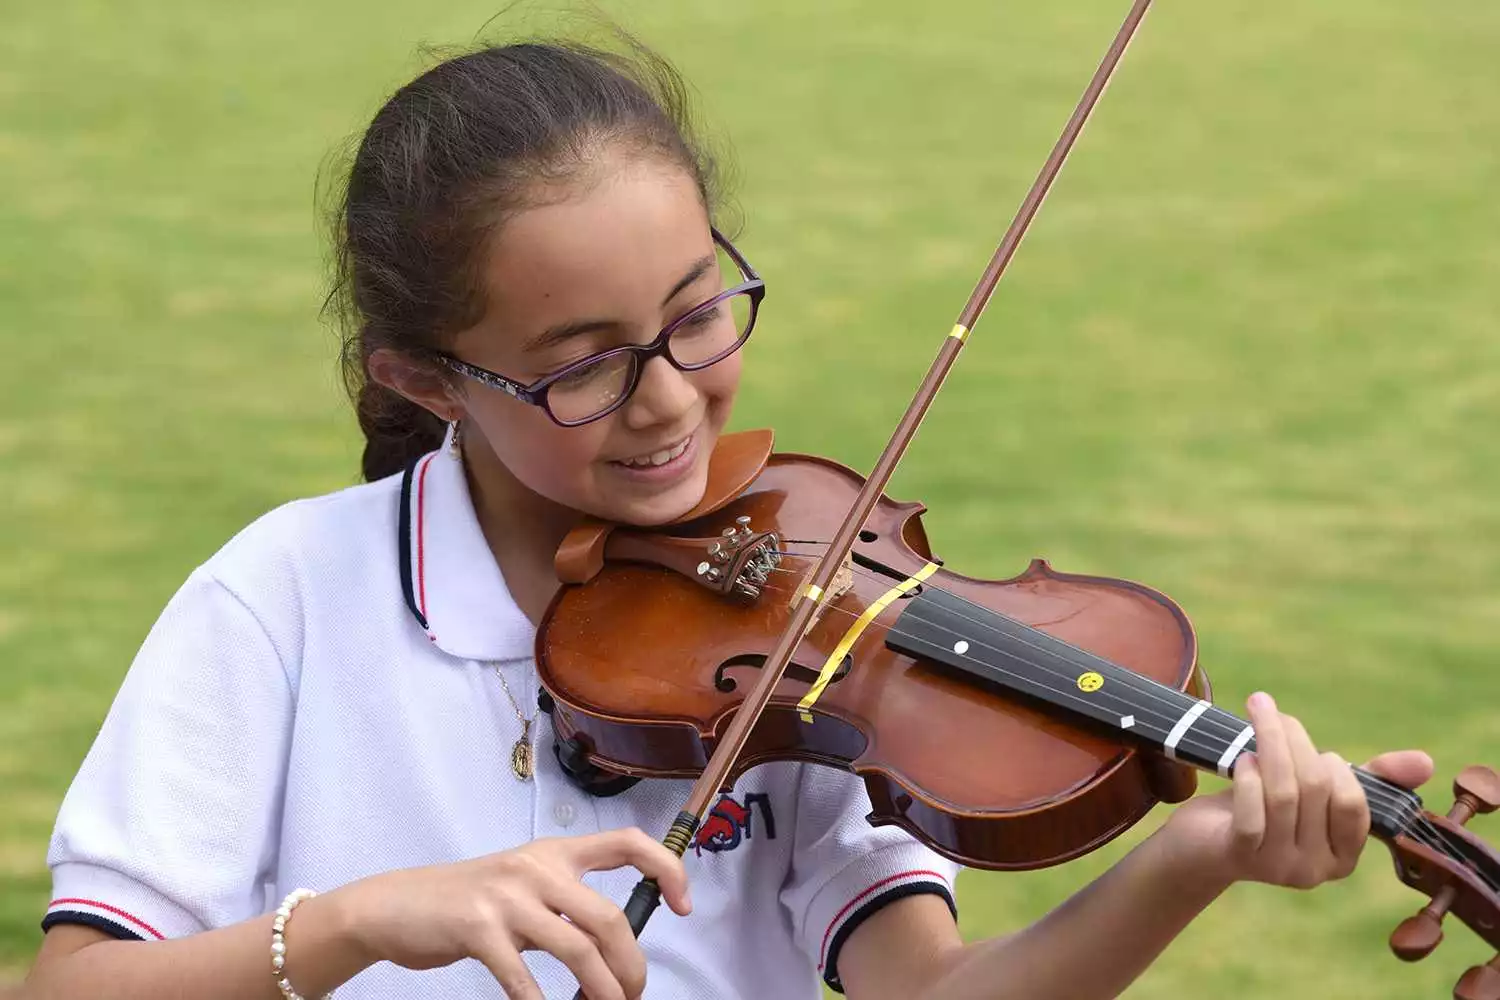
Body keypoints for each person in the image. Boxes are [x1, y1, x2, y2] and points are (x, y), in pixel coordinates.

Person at [21, 33, 1433, 1000]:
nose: (669, 401)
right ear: (425, 378)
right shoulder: (280, 600)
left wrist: (1189, 862)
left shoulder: (820, 617)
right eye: (583, 365)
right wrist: (356, 923)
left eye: (699, 315)